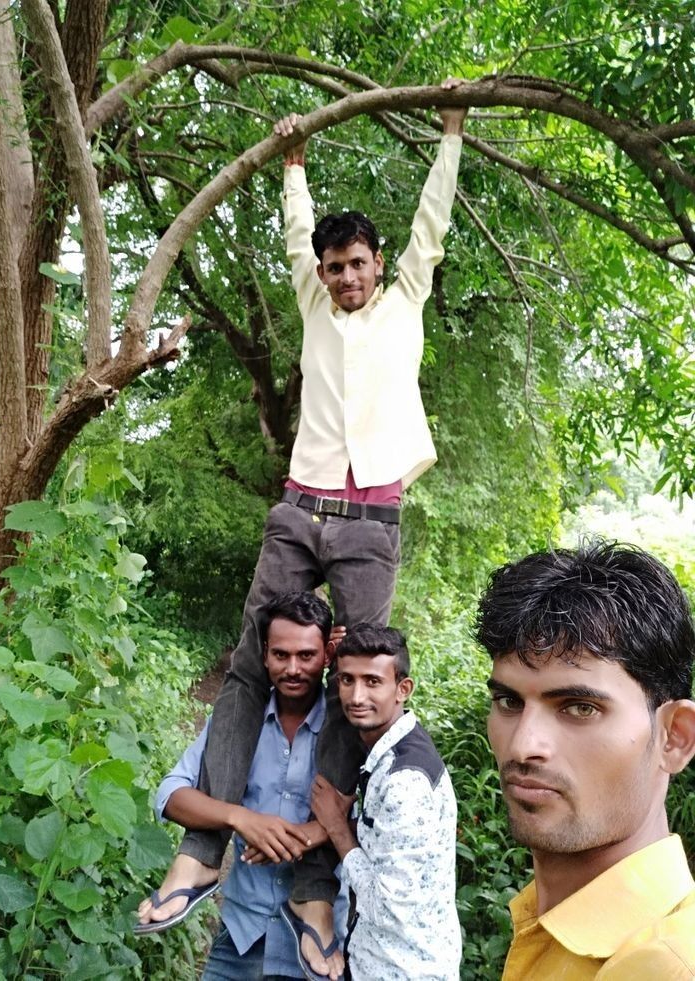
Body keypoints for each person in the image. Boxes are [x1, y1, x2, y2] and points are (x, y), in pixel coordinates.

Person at [138, 79, 467, 980]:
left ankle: (317, 882)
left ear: (376, 262)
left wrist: (450, 131)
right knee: (253, 660)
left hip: (369, 519)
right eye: (334, 267)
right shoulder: (315, 306)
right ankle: (202, 851)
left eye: (358, 262)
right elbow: (295, 231)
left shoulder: (403, 303)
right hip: (300, 503)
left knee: (354, 674)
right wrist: (292, 163)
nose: (347, 277)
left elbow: (432, 224)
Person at [475, 542, 695, 979]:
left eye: (579, 707)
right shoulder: (549, 915)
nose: (523, 746)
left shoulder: (666, 966)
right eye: (508, 700)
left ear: (674, 737)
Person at [138, 591, 348, 978]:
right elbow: (170, 795)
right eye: (281, 655)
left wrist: (311, 833)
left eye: (306, 656)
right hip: (240, 933)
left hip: (318, 944)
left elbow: (375, 821)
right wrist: (241, 818)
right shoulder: (237, 721)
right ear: (265, 653)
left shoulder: (351, 727)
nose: (293, 668)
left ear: (327, 655)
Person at [308, 624, 462, 980]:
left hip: (401, 970)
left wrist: (335, 828)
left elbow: (387, 908)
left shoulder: (405, 782)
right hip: (378, 962)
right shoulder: (389, 754)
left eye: (373, 682)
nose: (357, 696)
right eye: (347, 680)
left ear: (402, 689)